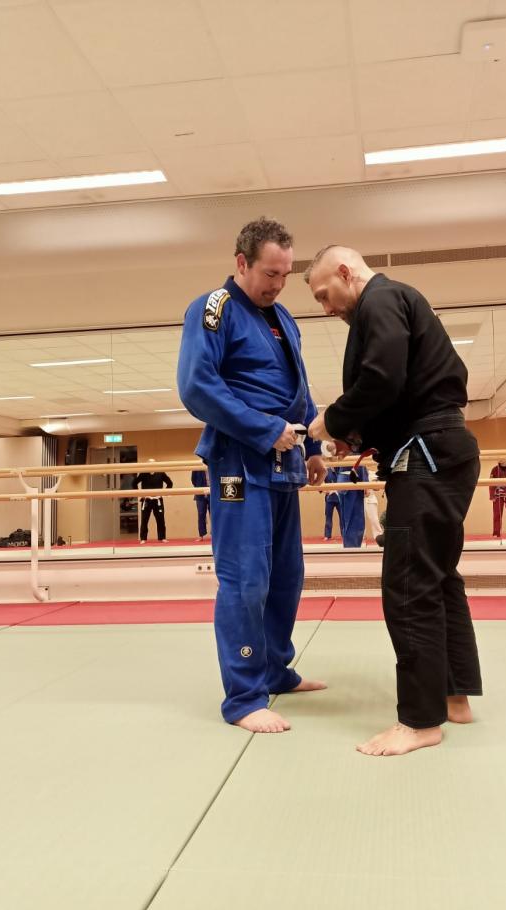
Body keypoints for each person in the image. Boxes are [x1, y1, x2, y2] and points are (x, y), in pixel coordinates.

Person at [306, 245, 482, 756]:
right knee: (438, 577)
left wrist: (332, 420)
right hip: (441, 446)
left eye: (324, 294)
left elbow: (382, 377)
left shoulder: (380, 299)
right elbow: (399, 391)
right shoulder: (397, 301)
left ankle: (420, 722)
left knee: (409, 584)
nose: (326, 307)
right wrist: (356, 437)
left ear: (346, 272)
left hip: (428, 454)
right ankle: (453, 697)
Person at [177, 217, 327, 734]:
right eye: (269, 273)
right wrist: (264, 430)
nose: (278, 284)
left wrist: (312, 446)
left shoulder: (283, 317)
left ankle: (275, 670)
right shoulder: (213, 309)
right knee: (246, 579)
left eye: (285, 274)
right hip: (238, 461)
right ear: (241, 263)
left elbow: (299, 388)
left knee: (286, 575)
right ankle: (243, 696)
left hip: (284, 461)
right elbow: (197, 386)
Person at [132, 460, 173, 543]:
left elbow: (170, 483)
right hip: (146, 499)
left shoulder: (160, 473)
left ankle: (162, 537)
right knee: (144, 519)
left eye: (153, 464)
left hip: (157, 499)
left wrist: (164, 493)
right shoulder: (143, 473)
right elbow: (134, 483)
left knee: (160, 519)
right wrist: (140, 493)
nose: (151, 465)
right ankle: (143, 538)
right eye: (150, 464)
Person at [335, 462, 367, 547]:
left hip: (345, 479)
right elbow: (359, 460)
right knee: (354, 522)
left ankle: (350, 548)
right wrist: (365, 482)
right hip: (352, 479)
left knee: (349, 521)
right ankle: (352, 549)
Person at [321, 465, 341, 540]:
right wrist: (325, 491)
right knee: (328, 517)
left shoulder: (340, 469)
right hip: (329, 498)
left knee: (342, 517)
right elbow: (319, 483)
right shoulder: (326, 470)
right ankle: (327, 535)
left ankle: (344, 534)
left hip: (339, 498)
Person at [364, 469, 384, 543]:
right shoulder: (356, 472)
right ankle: (361, 538)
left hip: (370, 500)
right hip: (359, 500)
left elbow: (377, 488)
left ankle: (379, 537)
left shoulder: (372, 474)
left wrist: (372, 484)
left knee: (374, 520)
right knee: (360, 521)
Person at [191, 468, 211, 541]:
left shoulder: (212, 465)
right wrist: (198, 487)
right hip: (200, 493)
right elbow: (193, 479)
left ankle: (214, 534)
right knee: (201, 513)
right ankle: (201, 535)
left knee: (213, 514)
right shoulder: (198, 467)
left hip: (212, 492)